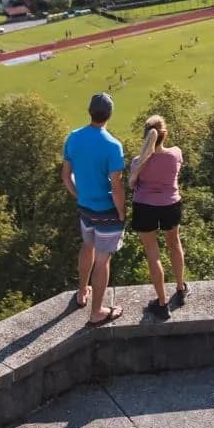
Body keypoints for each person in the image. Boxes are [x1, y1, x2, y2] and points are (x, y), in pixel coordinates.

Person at [61, 91, 127, 325]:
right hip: (107, 211)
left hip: (85, 208)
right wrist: (121, 212)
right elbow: (117, 187)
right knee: (103, 260)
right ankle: (97, 311)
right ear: (110, 114)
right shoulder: (113, 145)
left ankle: (81, 293)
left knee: (87, 246)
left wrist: (79, 195)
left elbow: (66, 176)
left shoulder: (73, 137)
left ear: (90, 112)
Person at [127, 113, 188, 320]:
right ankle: (180, 289)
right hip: (171, 204)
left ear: (145, 136)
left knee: (153, 254)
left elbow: (133, 184)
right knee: (175, 244)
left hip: (144, 206)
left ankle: (162, 304)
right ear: (165, 134)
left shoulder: (137, 163)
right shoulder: (175, 154)